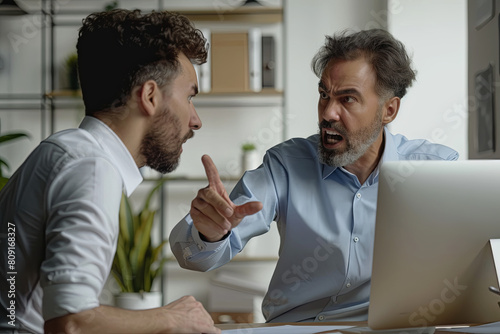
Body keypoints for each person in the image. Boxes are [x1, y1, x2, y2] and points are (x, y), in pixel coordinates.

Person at [169, 28, 459, 323]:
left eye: (347, 99)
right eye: (324, 95)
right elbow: (193, 256)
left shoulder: (436, 170)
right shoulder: (286, 165)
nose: (328, 113)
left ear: (389, 110)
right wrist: (210, 232)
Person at [0, 9, 220, 334]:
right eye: (189, 97)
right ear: (149, 96)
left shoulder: (70, 150)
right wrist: (173, 318)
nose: (196, 120)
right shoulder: (90, 168)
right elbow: (70, 321)